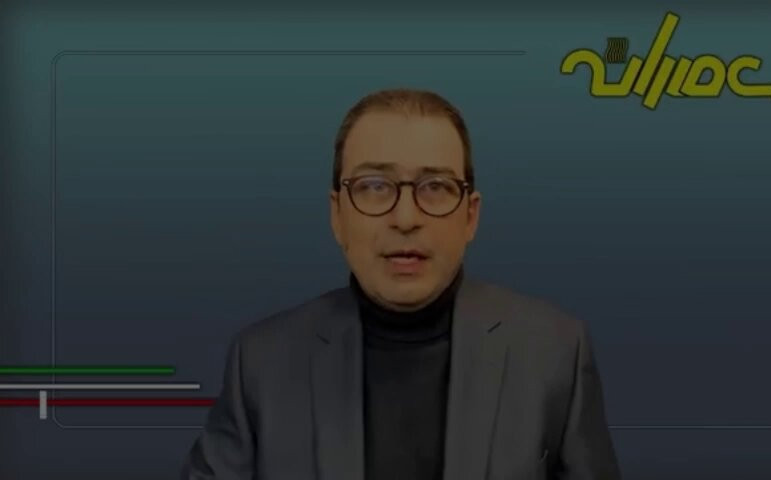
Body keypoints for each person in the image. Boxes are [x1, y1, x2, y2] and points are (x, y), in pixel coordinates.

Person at [182, 88, 621, 479]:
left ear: (470, 216)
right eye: (375, 186)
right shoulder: (262, 363)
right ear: (338, 215)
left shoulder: (554, 354)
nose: (406, 218)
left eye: (435, 186)